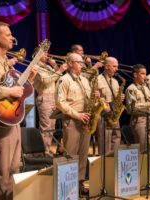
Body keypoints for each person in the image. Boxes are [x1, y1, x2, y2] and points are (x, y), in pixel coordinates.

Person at [0, 21, 38, 200]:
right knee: (1, 175)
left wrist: (30, 79)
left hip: (12, 121)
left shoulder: (5, 62)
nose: (12, 38)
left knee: (14, 171)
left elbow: (16, 93)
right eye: (8, 34)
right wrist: (9, 91)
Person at [55, 52, 98, 195]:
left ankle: (79, 183)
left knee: (83, 154)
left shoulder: (84, 80)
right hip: (72, 120)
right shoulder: (64, 80)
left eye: (82, 62)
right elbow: (60, 102)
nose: (82, 65)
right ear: (71, 63)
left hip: (85, 120)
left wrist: (96, 98)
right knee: (70, 154)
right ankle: (67, 187)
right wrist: (77, 114)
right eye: (79, 62)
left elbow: (89, 99)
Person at [33, 51, 67, 157]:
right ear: (36, 55)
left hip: (53, 97)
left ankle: (46, 150)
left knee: (52, 127)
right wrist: (60, 70)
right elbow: (46, 81)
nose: (47, 55)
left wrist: (55, 66)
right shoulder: (35, 67)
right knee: (46, 127)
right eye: (44, 53)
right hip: (45, 97)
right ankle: (44, 151)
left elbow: (59, 77)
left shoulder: (47, 67)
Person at [125, 64, 150, 152]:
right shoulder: (131, 89)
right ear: (135, 75)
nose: (145, 76)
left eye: (146, 74)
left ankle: (148, 165)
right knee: (142, 146)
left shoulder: (146, 88)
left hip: (149, 118)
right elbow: (132, 108)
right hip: (138, 119)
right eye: (143, 74)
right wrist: (149, 104)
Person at [96, 57, 124, 155]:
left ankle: (114, 159)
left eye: (117, 66)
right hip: (103, 113)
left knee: (117, 136)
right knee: (105, 140)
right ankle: (104, 163)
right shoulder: (98, 79)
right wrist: (104, 105)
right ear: (107, 66)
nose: (117, 69)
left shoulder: (115, 81)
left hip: (114, 113)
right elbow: (96, 97)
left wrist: (120, 98)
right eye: (114, 66)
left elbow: (115, 97)